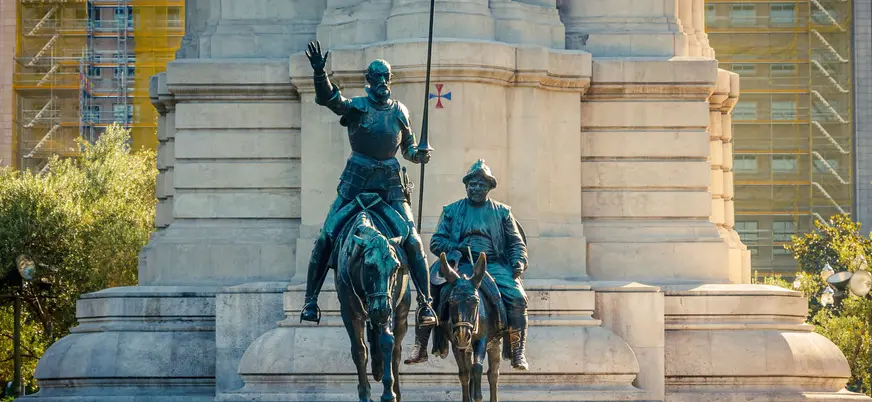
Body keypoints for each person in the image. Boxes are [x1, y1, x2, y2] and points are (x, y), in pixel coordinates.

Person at [299, 41, 437, 329]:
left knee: (413, 240)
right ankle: (310, 300)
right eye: (377, 77)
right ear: (369, 80)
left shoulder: (400, 111)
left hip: (391, 186)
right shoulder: (358, 107)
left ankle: (425, 303)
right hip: (356, 184)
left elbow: (408, 149)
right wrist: (320, 73)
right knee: (325, 236)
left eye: (386, 77)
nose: (383, 82)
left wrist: (419, 155)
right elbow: (330, 99)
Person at [405, 159, 530, 370]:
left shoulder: (502, 212)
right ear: (466, 186)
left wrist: (519, 261)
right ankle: (421, 346)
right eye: (473, 184)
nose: (476, 188)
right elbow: (436, 242)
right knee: (428, 293)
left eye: (481, 184)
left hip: (493, 266)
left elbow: (517, 244)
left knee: (517, 298)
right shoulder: (452, 210)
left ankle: (518, 351)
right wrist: (456, 246)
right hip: (458, 264)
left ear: (489, 187)